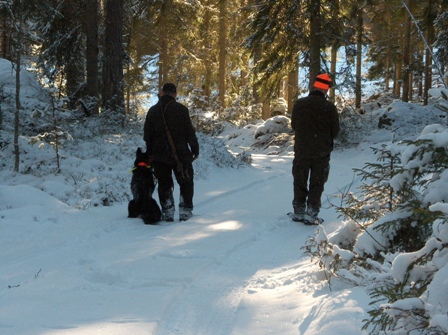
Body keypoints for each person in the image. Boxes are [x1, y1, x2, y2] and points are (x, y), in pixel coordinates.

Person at [144, 83, 199, 222]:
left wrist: (150, 153)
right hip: (180, 154)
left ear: (162, 93)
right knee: (186, 181)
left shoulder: (153, 111)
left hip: (159, 154)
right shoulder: (181, 110)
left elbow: (147, 136)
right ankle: (185, 211)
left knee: (164, 183)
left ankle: (168, 211)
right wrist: (194, 149)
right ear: (175, 93)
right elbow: (189, 132)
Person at [290, 73, 339, 225]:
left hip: (302, 150)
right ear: (326, 89)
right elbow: (335, 131)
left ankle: (299, 211)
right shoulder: (329, 108)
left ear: (314, 86)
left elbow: (293, 125)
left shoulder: (299, 104)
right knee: (317, 183)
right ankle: (312, 213)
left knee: (300, 180)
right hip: (321, 153)